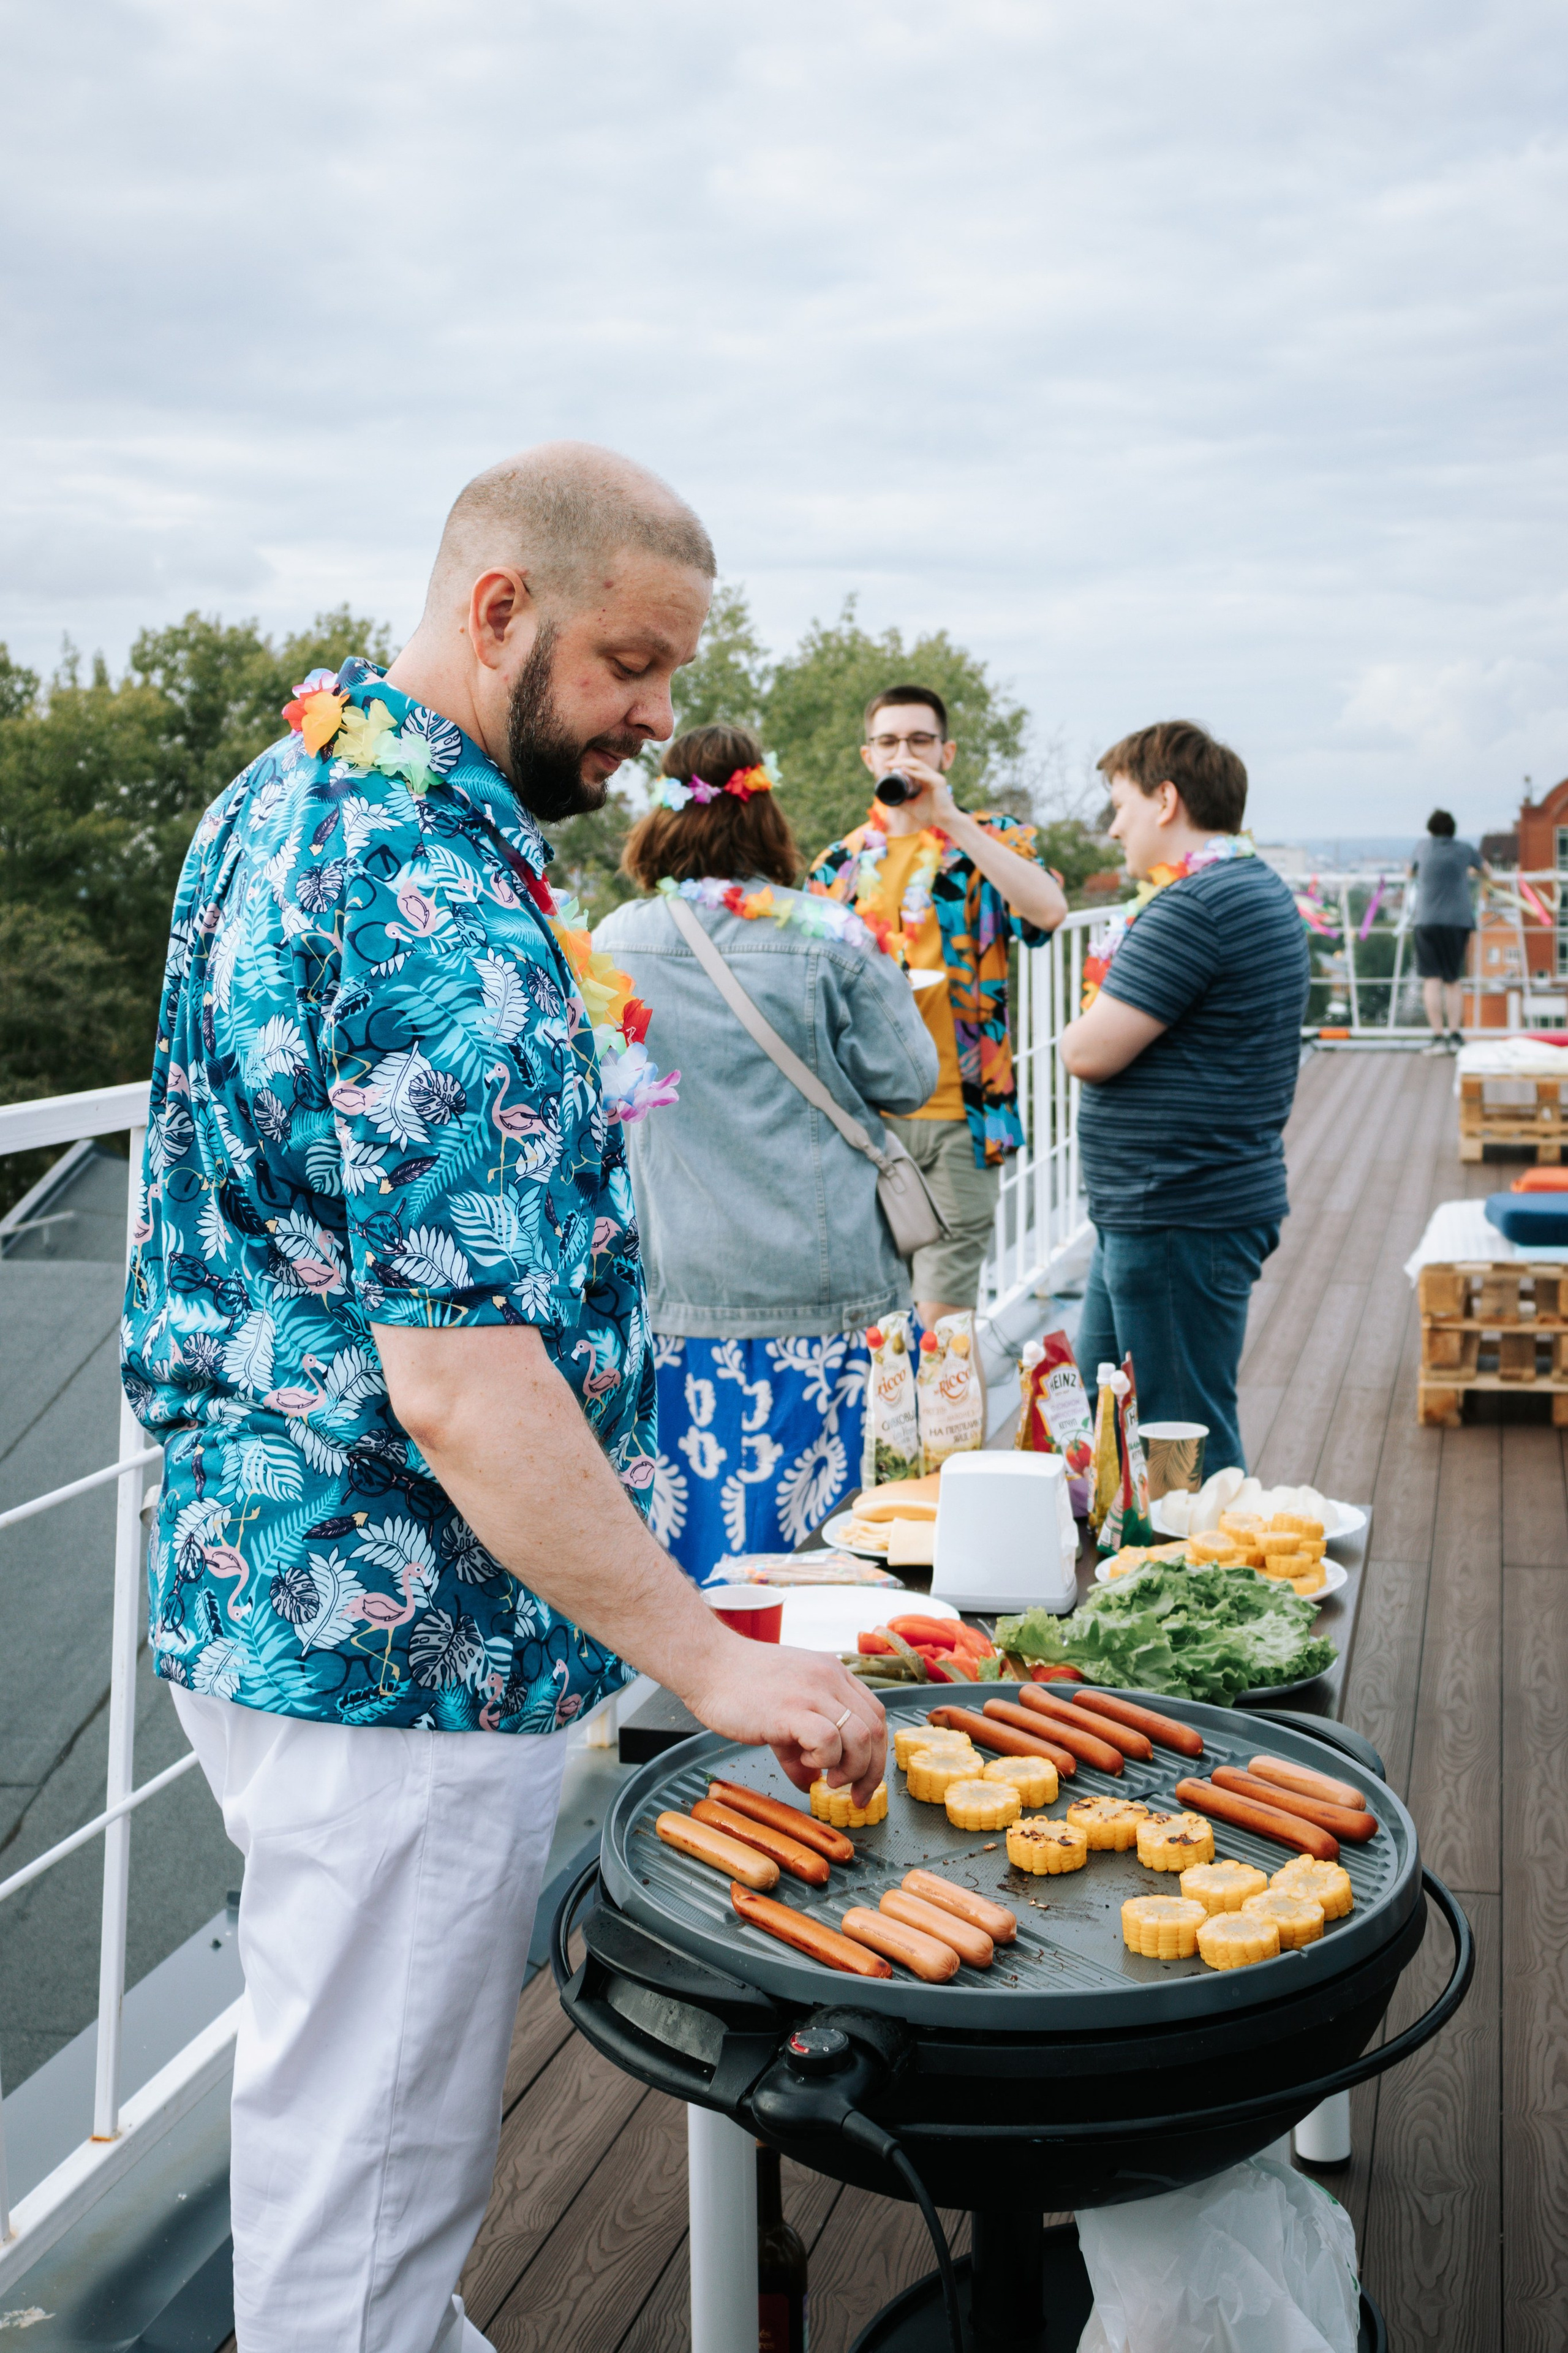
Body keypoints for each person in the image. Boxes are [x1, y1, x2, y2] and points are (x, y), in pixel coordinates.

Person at [120, 443, 884, 2353]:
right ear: (496, 611)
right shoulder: (417, 889)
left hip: (284, 1582)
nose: (659, 715)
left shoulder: (291, 794)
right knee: (367, 2190)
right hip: (396, 1630)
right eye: (630, 662)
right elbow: (460, 1386)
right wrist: (711, 1661)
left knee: (344, 2141)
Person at [595, 723, 940, 1577]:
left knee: (696, 1540)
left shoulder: (614, 941)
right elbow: (907, 1075)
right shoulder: (831, 934)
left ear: (663, 819)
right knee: (839, 1543)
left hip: (683, 1291)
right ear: (767, 817)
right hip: (825, 1293)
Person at [1058, 720, 1308, 1475]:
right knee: (1094, 1420)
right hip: (1159, 1206)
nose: (1113, 826)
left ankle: (1214, 1580)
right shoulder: (1250, 885)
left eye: (1121, 804)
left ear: (1165, 800)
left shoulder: (1194, 906)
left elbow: (1086, 1051)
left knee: (1180, 1438)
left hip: (1176, 1209)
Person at [807, 684, 1067, 1330]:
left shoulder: (992, 841)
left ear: (945, 752)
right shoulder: (837, 865)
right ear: (868, 756)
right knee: (879, 1329)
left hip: (961, 1120)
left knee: (944, 1331)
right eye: (890, 741)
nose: (905, 753)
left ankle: (952, 1438)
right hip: (864, 1125)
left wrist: (951, 821)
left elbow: (1047, 913)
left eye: (920, 740)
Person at [1407, 810, 1489, 1052]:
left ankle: (1437, 1038)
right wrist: (1470, 873)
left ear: (1430, 830)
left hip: (1427, 919)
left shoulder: (1422, 848)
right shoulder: (1464, 849)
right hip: (1457, 920)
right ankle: (1455, 1036)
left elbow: (1410, 873)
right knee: (1453, 980)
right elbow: (1488, 871)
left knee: (1432, 980)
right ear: (1453, 830)